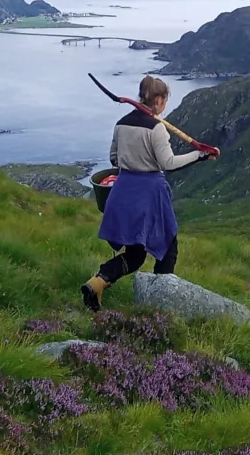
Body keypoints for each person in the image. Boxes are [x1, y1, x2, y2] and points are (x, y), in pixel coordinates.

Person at [81, 76, 215, 311]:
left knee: (136, 252)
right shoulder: (157, 128)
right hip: (149, 193)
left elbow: (114, 157)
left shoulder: (121, 124)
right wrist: (200, 155)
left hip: (123, 189)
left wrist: (133, 159)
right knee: (168, 245)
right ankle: (160, 304)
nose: (165, 106)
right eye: (165, 101)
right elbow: (169, 162)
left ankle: (97, 282)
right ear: (159, 99)